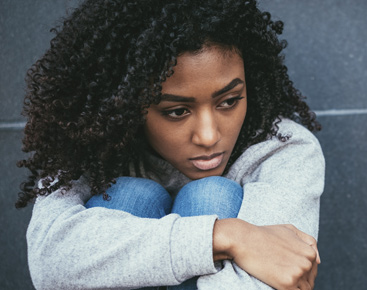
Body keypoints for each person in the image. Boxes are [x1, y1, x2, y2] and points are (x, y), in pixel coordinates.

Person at [16, 0, 324, 289]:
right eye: (177, 111)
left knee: (212, 194)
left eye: (229, 101)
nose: (208, 136)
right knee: (132, 195)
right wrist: (224, 236)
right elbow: (51, 263)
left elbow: (273, 276)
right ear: (128, 104)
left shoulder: (282, 148)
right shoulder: (92, 146)